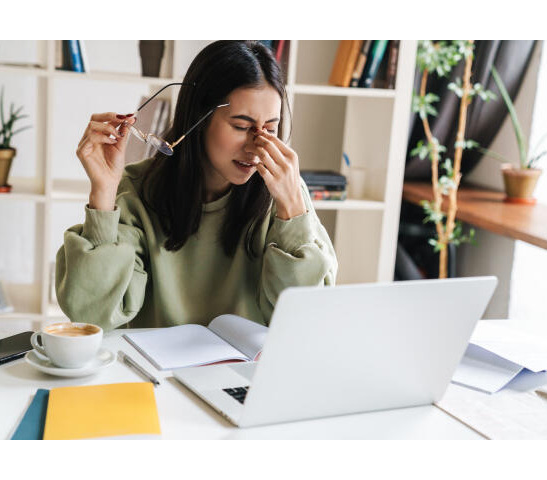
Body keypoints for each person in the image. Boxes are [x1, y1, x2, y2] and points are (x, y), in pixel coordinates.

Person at [56, 40, 337, 332]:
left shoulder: (286, 193)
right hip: (158, 375)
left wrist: (291, 211)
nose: (258, 146)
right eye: (242, 126)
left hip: (249, 375)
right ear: (198, 120)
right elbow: (94, 315)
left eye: (270, 129)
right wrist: (103, 192)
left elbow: (307, 320)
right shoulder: (138, 192)